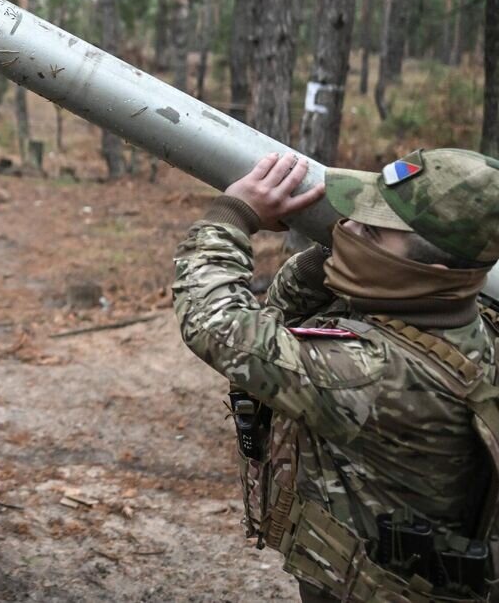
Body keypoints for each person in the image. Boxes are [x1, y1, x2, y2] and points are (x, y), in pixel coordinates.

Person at [173, 148, 499, 602]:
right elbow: (288, 316)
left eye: (370, 230)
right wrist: (339, 257)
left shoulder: (370, 372)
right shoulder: (464, 317)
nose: (345, 226)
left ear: (429, 271)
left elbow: (215, 324)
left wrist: (234, 215)